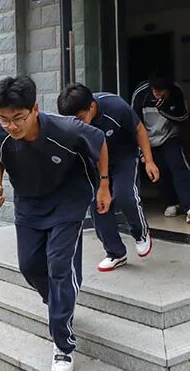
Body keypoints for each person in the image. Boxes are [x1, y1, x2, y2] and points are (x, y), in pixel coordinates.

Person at [0, 76, 111, 371]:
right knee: (29, 266)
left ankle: (63, 345)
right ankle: (59, 300)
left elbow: (100, 142)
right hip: (29, 203)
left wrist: (104, 185)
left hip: (68, 200)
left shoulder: (66, 129)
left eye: (18, 118)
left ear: (35, 109)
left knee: (58, 267)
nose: (11, 126)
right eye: (4, 119)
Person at [57, 83, 158, 272]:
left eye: (80, 118)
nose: (77, 124)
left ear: (92, 106)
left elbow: (139, 130)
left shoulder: (115, 107)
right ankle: (115, 253)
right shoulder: (72, 123)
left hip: (123, 156)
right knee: (98, 204)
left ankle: (140, 233)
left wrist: (149, 161)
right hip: (96, 161)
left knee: (124, 195)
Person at [132, 73, 190, 224]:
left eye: (161, 91)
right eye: (154, 90)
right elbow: (135, 124)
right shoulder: (141, 93)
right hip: (148, 139)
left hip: (170, 135)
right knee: (159, 172)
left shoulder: (176, 91)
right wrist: (142, 152)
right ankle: (172, 202)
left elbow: (183, 116)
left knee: (179, 167)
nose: (157, 93)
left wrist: (164, 108)